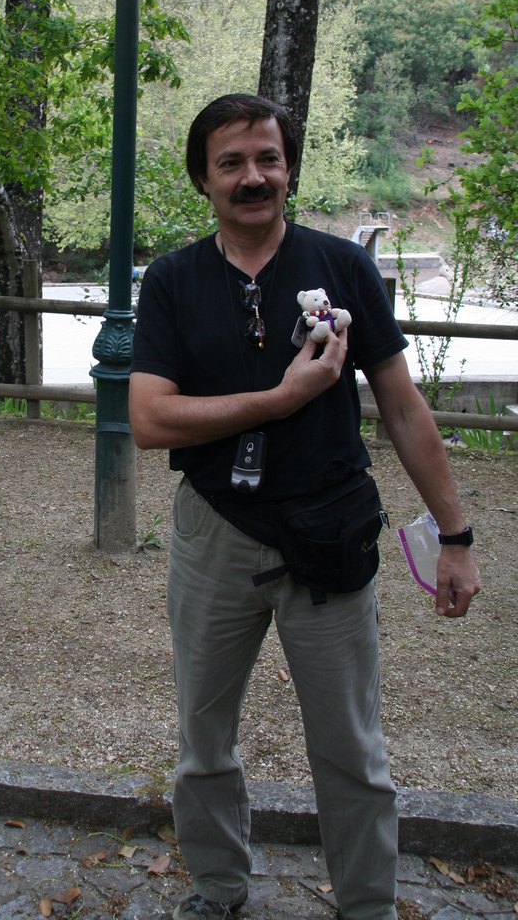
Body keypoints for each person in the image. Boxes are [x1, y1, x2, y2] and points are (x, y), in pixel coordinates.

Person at [129, 94, 481, 920]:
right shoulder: (174, 281)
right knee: (203, 740)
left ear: (289, 168)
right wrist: (281, 399)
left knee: (351, 748)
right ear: (203, 179)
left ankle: (366, 906)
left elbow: (403, 408)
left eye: (268, 159)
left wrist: (456, 535)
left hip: (331, 533)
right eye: (231, 163)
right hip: (215, 531)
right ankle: (218, 890)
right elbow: (149, 420)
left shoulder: (343, 267)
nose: (253, 177)